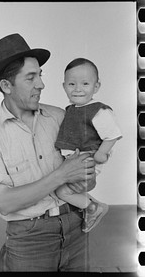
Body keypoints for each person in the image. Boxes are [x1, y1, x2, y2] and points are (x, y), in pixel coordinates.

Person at [0, 34, 96, 272]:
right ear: (6, 86)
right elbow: (5, 203)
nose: (41, 84)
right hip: (29, 241)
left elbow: (86, 178)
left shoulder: (60, 116)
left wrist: (86, 177)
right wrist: (62, 175)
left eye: (40, 75)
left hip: (77, 228)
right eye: (31, 78)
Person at [55, 58, 122, 233]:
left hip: (87, 160)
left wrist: (101, 154)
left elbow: (112, 134)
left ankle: (93, 208)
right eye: (71, 84)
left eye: (85, 83)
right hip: (75, 160)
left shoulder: (98, 110)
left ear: (96, 87)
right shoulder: (71, 109)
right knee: (61, 187)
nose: (77, 89)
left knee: (62, 192)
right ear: (64, 87)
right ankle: (91, 206)